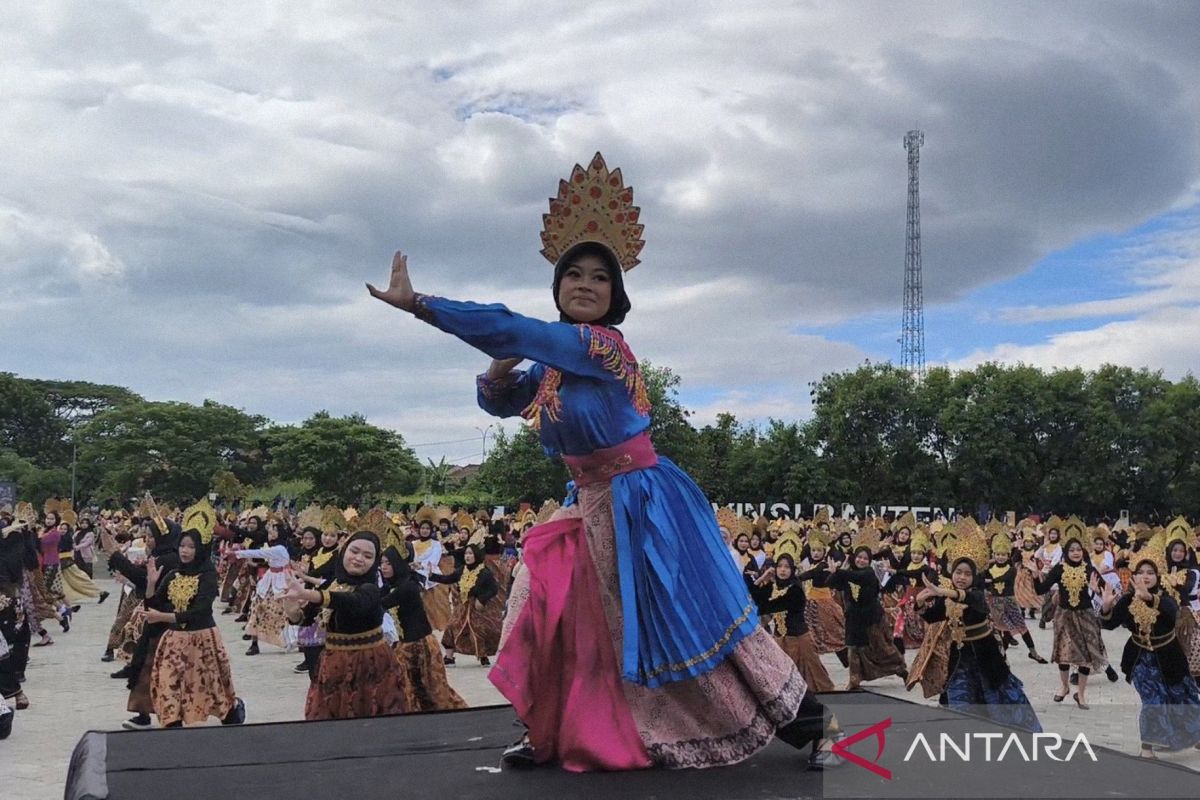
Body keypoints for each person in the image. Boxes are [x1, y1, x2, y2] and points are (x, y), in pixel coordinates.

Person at [367, 153, 842, 772]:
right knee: (546, 609)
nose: (585, 284)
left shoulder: (599, 345)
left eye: (600, 277)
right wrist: (497, 365)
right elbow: (503, 401)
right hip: (585, 504)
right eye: (574, 276)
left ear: (615, 295)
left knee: (692, 623)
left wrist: (421, 304)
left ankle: (815, 725)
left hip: (642, 503)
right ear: (558, 288)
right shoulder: (556, 362)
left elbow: (511, 326)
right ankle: (552, 730)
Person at [912, 540, 1042, 732]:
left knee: (999, 698)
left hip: (986, 656)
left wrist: (941, 591)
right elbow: (932, 617)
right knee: (960, 699)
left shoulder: (979, 595)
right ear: (952, 573)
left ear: (974, 577)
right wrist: (921, 603)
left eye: (967, 574)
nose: (962, 577)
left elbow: (969, 598)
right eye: (958, 572)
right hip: (959, 658)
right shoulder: (946, 597)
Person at [283, 531, 409, 720]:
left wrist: (308, 595)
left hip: (369, 664)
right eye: (354, 551)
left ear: (374, 563)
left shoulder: (371, 589)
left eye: (368, 556)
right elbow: (308, 620)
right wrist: (292, 611)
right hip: (332, 663)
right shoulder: (333, 584)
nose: (359, 559)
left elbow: (353, 602)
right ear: (344, 552)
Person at [1097, 550, 1200, 758]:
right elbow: (1109, 624)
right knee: (1153, 700)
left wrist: (1150, 598)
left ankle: (1194, 733)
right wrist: (1106, 607)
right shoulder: (1127, 600)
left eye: (1150, 572)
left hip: (1170, 656)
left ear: (1157, 576)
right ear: (1134, 576)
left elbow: (1173, 614)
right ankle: (1147, 749)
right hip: (1140, 659)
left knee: (1183, 697)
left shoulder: (1167, 597)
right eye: (1141, 572)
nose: (1145, 576)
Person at [145, 529, 246, 727]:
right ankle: (173, 721)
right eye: (182, 546)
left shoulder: (207, 576)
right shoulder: (173, 575)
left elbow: (200, 611)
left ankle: (231, 713)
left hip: (202, 641)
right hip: (174, 642)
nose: (185, 551)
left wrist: (163, 617)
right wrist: (151, 584)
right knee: (168, 681)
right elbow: (153, 605)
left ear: (200, 549)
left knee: (210, 684)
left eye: (191, 546)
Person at [380, 546, 468, 712]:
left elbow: (380, 603)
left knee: (435, 691)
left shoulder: (407, 587)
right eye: (382, 563)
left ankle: (461, 714)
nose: (383, 567)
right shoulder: (394, 585)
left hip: (421, 646)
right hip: (405, 645)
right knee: (407, 688)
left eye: (388, 563)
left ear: (397, 564)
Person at [1035, 522, 1106, 709]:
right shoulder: (1059, 569)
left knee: (1086, 655)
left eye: (1079, 550)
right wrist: (1035, 575)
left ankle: (1081, 694)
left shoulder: (1089, 570)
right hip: (1064, 616)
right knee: (1063, 654)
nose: (1076, 552)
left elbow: (1105, 589)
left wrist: (1096, 590)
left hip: (1086, 616)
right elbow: (1041, 589)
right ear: (1066, 552)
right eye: (1072, 550)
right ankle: (1064, 686)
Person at [745, 554, 834, 693]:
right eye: (779, 566)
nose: (782, 570)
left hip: (799, 640)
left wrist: (761, 596)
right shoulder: (773, 587)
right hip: (781, 640)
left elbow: (766, 606)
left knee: (813, 676)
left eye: (786, 567)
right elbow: (753, 596)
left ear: (792, 570)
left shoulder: (796, 590)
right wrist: (762, 579)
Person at [826, 546, 908, 689]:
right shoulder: (848, 572)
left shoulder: (868, 573)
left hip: (871, 618)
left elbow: (857, 577)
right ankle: (854, 680)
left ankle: (901, 670)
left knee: (883, 648)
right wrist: (834, 572)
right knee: (853, 648)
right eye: (859, 557)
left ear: (869, 561)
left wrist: (839, 571)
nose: (861, 560)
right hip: (853, 617)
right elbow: (830, 583)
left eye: (865, 558)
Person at [428, 544, 501, 667]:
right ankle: (449, 657)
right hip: (462, 606)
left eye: (470, 553)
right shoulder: (462, 570)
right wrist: (432, 576)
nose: (467, 556)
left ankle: (483, 656)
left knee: (478, 629)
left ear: (476, 555)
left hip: (477, 608)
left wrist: (482, 599)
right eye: (466, 553)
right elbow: (449, 579)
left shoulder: (484, 572)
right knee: (451, 627)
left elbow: (493, 588)